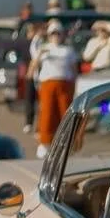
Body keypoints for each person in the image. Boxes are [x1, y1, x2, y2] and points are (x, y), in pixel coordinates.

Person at [27, 21, 77, 159]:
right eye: (53, 34)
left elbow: (74, 69)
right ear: (49, 35)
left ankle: (65, 144)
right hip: (48, 83)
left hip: (65, 83)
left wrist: (75, 84)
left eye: (58, 33)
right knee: (47, 113)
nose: (55, 36)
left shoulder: (68, 50)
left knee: (65, 113)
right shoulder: (44, 48)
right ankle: (45, 143)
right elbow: (33, 66)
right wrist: (39, 54)